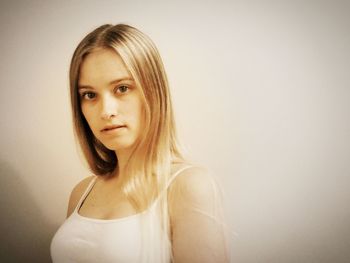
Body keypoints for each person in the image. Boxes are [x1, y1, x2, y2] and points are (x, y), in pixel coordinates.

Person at [50, 23, 230, 263]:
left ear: (154, 91)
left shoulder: (188, 186)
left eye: (122, 88)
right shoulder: (81, 192)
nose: (106, 111)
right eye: (90, 95)